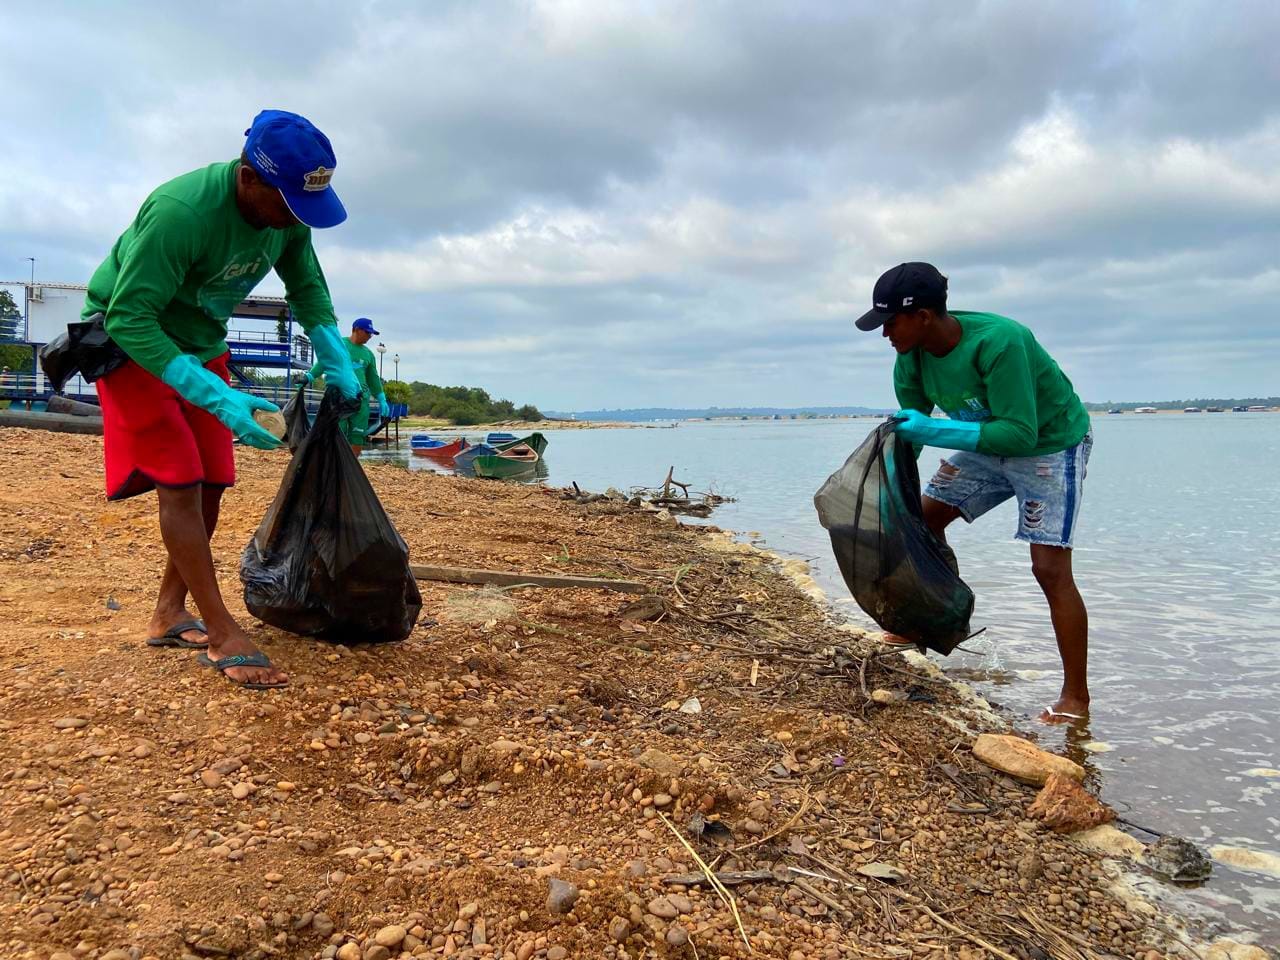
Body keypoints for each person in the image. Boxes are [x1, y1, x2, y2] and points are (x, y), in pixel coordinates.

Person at [85, 109, 361, 690]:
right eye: (288, 203)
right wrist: (215, 394)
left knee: (213, 479)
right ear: (249, 178)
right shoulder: (181, 213)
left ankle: (168, 613)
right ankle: (220, 631)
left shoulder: (289, 214)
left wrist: (333, 351)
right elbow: (129, 317)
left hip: (201, 341)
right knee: (180, 478)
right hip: (132, 344)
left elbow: (307, 288)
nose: (294, 218)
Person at [856, 262, 1093, 724]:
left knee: (1049, 568)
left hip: (1049, 445)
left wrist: (932, 429)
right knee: (921, 522)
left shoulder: (1001, 342)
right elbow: (913, 433)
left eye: (891, 322)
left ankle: (1075, 699)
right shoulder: (910, 356)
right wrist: (893, 489)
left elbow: (1020, 434)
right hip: (987, 443)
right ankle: (930, 622)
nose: (884, 333)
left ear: (924, 316)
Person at [303, 316, 390, 455]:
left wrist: (381, 399)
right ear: (356, 329)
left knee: (357, 436)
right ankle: (335, 464)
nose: (370, 336)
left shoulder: (368, 354)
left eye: (371, 334)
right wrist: (309, 376)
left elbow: (373, 378)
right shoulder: (339, 345)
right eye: (367, 332)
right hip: (338, 398)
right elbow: (324, 362)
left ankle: (351, 465)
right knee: (337, 433)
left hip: (361, 400)